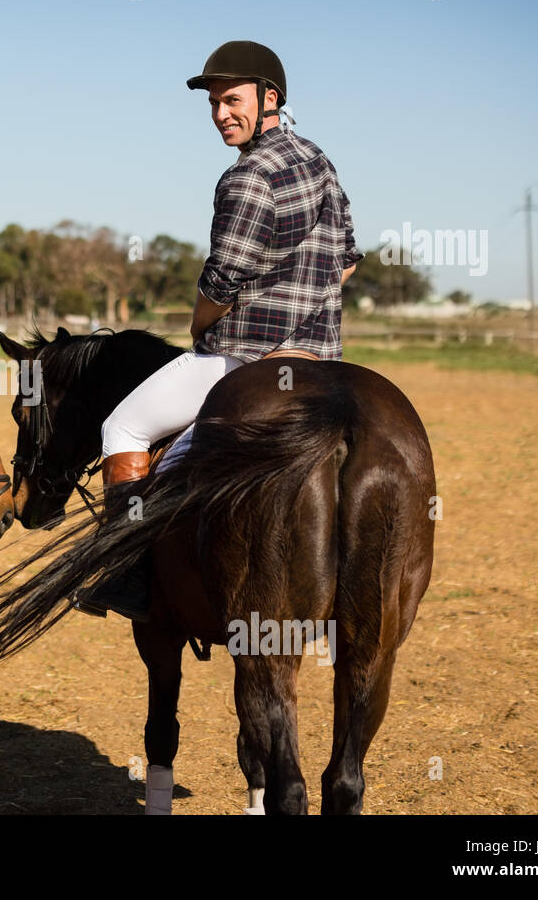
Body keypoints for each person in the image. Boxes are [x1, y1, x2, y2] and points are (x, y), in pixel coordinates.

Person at [74, 40, 361, 622]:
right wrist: (304, 296)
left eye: (231, 100)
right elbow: (349, 260)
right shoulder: (320, 160)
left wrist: (199, 322)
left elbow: (223, 278)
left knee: (122, 427)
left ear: (269, 98)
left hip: (244, 356)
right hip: (320, 359)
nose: (220, 114)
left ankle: (126, 571)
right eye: (212, 103)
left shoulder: (246, 176)